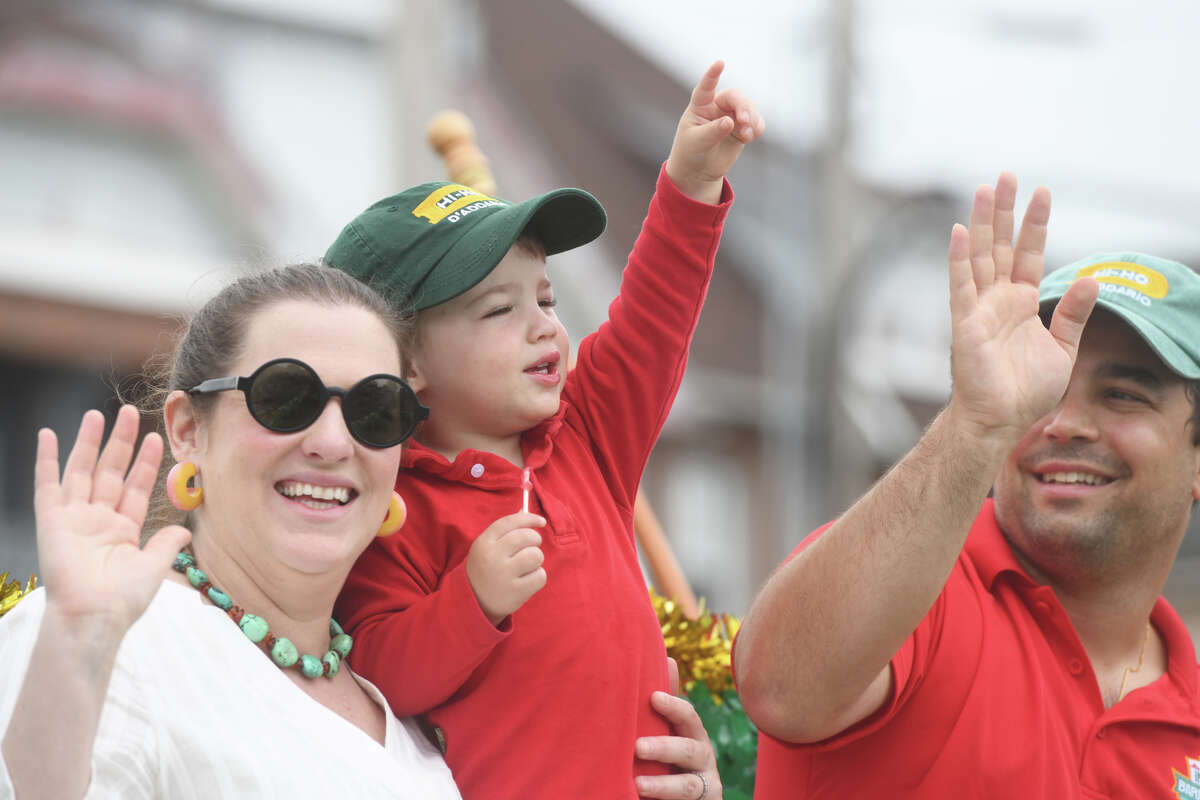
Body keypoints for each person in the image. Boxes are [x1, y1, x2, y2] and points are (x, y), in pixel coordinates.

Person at [323, 61, 764, 800]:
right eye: (500, 311)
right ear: (405, 365)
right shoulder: (390, 505)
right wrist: (472, 600)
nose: (545, 329)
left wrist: (690, 182)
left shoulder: (589, 435)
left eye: (548, 298)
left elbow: (652, 320)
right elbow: (374, 672)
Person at [733, 174, 1200, 797]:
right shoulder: (920, 589)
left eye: (1123, 395)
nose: (1065, 423)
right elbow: (781, 689)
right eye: (1044, 387)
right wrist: (976, 423)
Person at [0, 264, 463, 798]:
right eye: (286, 398)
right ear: (188, 429)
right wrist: (74, 649)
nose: (334, 443)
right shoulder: (105, 637)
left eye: (377, 410)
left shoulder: (409, 711)